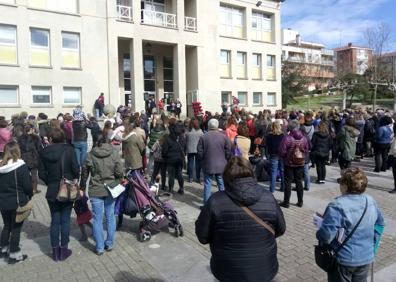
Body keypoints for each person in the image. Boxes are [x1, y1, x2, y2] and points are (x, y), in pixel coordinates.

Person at [195, 157, 286, 282]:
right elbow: (281, 229)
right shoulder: (268, 197)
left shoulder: (215, 201)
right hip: (264, 269)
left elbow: (203, 237)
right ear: (251, 172)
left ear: (226, 176)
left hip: (228, 271)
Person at [315, 167, 385, 282]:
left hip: (344, 259)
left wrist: (321, 227)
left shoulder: (337, 205)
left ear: (345, 185)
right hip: (366, 257)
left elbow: (326, 237)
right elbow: (380, 224)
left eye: (340, 181)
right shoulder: (370, 200)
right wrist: (372, 246)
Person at [39, 128, 79, 262]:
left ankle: (55, 252)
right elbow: (76, 169)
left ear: (50, 139)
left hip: (52, 189)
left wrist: (50, 181)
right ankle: (64, 249)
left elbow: (41, 173)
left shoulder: (44, 152)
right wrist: (72, 178)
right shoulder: (69, 150)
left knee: (55, 220)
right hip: (66, 188)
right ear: (62, 138)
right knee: (65, 220)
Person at [80, 134, 123, 255]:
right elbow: (120, 171)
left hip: (96, 189)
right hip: (111, 189)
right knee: (110, 216)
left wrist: (82, 187)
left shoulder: (90, 154)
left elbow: (84, 174)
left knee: (97, 219)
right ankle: (109, 243)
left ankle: (99, 247)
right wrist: (118, 180)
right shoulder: (114, 153)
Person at [0, 141, 32, 264]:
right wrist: (29, 196)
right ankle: (14, 255)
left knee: (6, 225)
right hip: (17, 202)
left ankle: (3, 248)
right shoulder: (21, 166)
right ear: (17, 151)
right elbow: (27, 186)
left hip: (3, 202)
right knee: (16, 228)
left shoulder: (1, 166)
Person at [197, 119, 231, 204]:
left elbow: (199, 152)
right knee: (220, 183)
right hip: (221, 164)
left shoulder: (203, 137)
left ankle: (207, 204)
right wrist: (225, 159)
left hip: (208, 163)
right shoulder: (223, 136)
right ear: (217, 126)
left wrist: (203, 160)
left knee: (208, 184)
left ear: (208, 126)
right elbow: (228, 150)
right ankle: (223, 202)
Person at [279, 119, 309, 208]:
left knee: (288, 182)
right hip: (300, 163)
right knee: (299, 181)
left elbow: (282, 151)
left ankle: (286, 202)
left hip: (289, 163)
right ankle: (300, 202)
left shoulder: (287, 138)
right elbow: (306, 149)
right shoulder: (304, 138)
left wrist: (285, 157)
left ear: (290, 128)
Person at [17, 124, 42, 194]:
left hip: (23, 157)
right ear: (31, 129)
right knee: (34, 174)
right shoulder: (36, 137)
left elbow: (18, 149)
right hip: (33, 157)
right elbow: (39, 148)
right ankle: (34, 189)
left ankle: (25, 189)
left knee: (25, 174)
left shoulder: (20, 138)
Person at [162, 122, 185, 194]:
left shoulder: (168, 139)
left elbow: (164, 151)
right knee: (179, 174)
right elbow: (184, 147)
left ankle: (171, 189)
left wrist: (165, 157)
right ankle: (181, 188)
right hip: (179, 159)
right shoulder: (181, 138)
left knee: (171, 175)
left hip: (170, 159)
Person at [266, 121, 285, 193]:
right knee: (282, 171)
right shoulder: (282, 135)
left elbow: (267, 146)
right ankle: (283, 187)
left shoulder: (269, 136)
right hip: (282, 155)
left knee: (273, 172)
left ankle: (272, 189)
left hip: (273, 154)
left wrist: (268, 154)